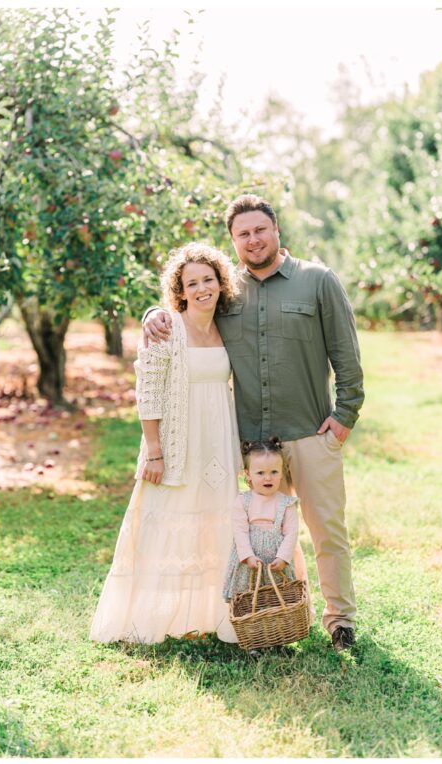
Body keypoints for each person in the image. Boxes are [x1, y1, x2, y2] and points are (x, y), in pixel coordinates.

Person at [143, 194, 364, 652]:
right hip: (250, 445)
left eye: (260, 229)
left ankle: (339, 619)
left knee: (326, 530)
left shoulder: (317, 281)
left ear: (276, 229)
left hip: (310, 433)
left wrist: (344, 416)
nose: (253, 239)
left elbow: (347, 354)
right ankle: (268, 617)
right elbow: (186, 311)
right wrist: (153, 315)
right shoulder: (226, 293)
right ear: (233, 241)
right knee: (257, 534)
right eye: (242, 234)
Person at [90, 243, 241, 645]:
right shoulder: (166, 329)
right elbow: (149, 392)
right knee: (168, 522)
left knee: (218, 523)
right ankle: (153, 619)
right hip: (176, 445)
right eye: (192, 283)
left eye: (208, 279)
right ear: (180, 290)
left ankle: (215, 615)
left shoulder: (228, 326)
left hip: (218, 444)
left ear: (221, 282)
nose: (202, 288)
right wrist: (154, 450)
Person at [221, 438, 299, 602]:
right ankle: (251, 624)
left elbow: (291, 533)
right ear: (248, 475)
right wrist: (248, 556)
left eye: (274, 472)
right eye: (260, 473)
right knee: (249, 597)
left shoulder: (287, 503)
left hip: (276, 562)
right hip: (249, 561)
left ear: (282, 473)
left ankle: (277, 624)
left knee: (277, 597)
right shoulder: (243, 501)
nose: (268, 478)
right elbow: (240, 532)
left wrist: (284, 557)